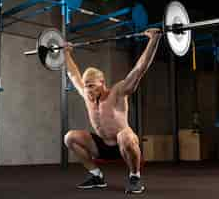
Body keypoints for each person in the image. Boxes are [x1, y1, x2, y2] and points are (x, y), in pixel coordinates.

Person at [63, 28, 162, 194]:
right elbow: (73, 74)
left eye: (91, 86)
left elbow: (139, 70)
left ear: (102, 82)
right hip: (101, 146)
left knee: (125, 135)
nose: (87, 90)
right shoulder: (87, 95)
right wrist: (66, 53)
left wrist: (153, 41)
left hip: (124, 143)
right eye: (86, 86)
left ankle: (134, 177)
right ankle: (96, 175)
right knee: (69, 137)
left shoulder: (117, 92)